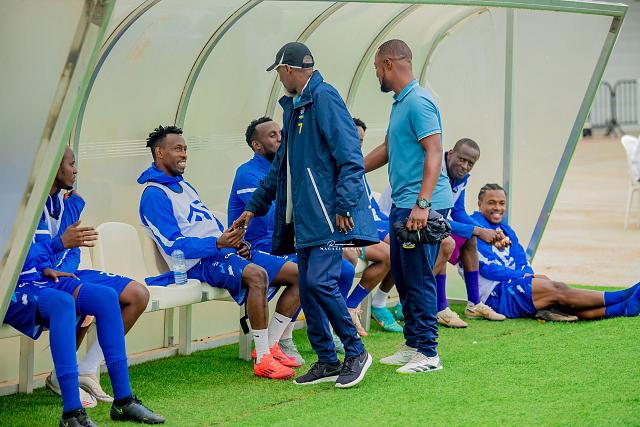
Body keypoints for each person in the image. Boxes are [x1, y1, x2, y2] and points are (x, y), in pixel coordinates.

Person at [233, 42, 378, 388]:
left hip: (331, 216)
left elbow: (351, 157)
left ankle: (356, 352)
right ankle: (327, 360)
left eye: (279, 72)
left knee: (321, 283)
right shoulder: (294, 108)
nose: (279, 79)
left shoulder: (325, 97)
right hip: (305, 220)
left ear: (288, 69)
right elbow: (279, 169)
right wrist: (254, 207)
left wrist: (344, 205)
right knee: (310, 286)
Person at [138, 125, 301, 380]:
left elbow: (209, 226)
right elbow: (173, 244)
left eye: (185, 149)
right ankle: (263, 358)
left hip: (221, 252)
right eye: (177, 149)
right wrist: (217, 243)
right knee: (257, 275)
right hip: (197, 264)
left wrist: (235, 243)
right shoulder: (154, 194)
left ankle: (271, 344)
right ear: (159, 152)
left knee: (300, 275)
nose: (184, 154)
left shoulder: (185, 187)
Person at [4, 222, 165, 426]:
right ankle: (72, 412)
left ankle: (124, 401)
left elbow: (45, 255)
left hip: (43, 278)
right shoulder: (13, 207)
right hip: (10, 286)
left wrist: (47, 266)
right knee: (63, 303)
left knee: (106, 297)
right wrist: (57, 245)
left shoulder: (43, 211)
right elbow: (11, 257)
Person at [228, 116, 361, 360]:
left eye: (281, 133)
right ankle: (276, 342)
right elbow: (273, 218)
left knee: (343, 269)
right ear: (257, 145)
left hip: (285, 243)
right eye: (272, 135)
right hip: (254, 247)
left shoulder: (286, 169)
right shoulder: (247, 173)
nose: (280, 138)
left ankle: (325, 328)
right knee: (306, 273)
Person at [364, 39, 453, 374]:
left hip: (422, 207)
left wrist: (423, 204)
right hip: (403, 204)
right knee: (402, 275)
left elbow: (435, 151)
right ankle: (413, 343)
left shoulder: (418, 101)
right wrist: (353, 168)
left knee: (418, 278)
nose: (377, 74)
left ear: (388, 64)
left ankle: (428, 353)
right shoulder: (400, 102)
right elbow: (389, 147)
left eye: (377, 68)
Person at [42, 147, 151, 405]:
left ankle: (88, 367)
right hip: (41, 278)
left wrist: (67, 268)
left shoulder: (65, 202)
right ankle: (61, 376)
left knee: (137, 295)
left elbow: (73, 250)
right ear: (54, 167)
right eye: (71, 164)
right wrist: (58, 260)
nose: (76, 170)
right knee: (89, 299)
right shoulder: (32, 205)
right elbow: (35, 251)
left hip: (68, 273)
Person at [473, 183, 640, 320]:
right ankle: (622, 296)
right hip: (494, 296)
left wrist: (529, 275)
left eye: (502, 203)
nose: (498, 207)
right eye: (491, 202)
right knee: (557, 289)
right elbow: (486, 268)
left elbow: (521, 259)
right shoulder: (476, 229)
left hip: (512, 284)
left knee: (556, 297)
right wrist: (524, 276)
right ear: (480, 204)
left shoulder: (505, 229)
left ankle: (622, 308)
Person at [432, 138, 506, 328]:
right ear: (450, 153)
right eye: (462, 159)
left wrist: (487, 231)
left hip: (431, 224)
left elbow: (458, 211)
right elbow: (434, 219)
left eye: (470, 163)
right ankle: (440, 308)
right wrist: (479, 230)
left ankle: (474, 304)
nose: (465, 166)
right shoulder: (436, 170)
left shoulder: (461, 176)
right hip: (403, 222)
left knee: (469, 237)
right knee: (444, 240)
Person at [341, 118, 402, 335]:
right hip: (345, 232)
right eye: (353, 138)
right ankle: (354, 307)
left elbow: (368, 206)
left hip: (365, 226)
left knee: (410, 242)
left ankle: (363, 305)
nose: (357, 144)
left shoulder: (357, 166)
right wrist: (351, 235)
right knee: (393, 251)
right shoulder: (335, 165)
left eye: (361, 140)